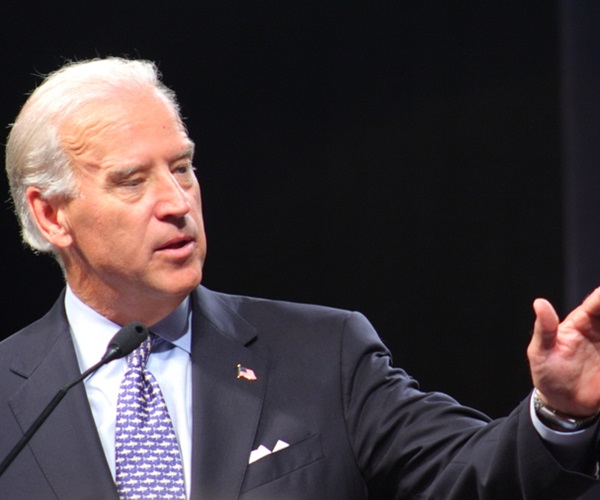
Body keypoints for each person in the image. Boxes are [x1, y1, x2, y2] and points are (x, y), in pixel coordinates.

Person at [0, 57, 599, 500]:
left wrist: (561, 414)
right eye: (133, 181)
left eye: (182, 168)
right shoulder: (11, 398)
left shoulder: (323, 354)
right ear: (53, 215)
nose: (177, 202)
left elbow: (469, 473)